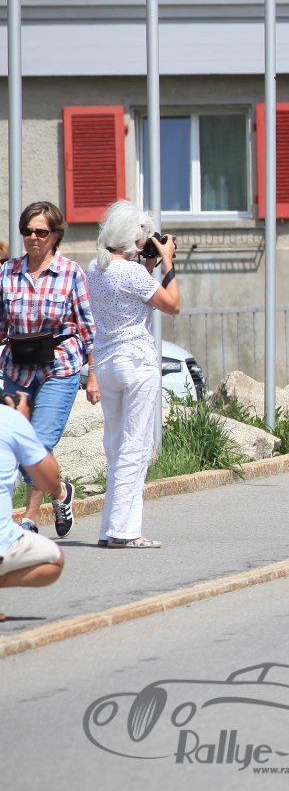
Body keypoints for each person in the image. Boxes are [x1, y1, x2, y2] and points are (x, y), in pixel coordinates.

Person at [85, 201, 180, 549]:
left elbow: (131, 296)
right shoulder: (131, 273)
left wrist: (149, 265)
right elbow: (172, 305)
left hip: (107, 362)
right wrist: (167, 261)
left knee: (115, 446)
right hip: (136, 362)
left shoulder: (95, 268)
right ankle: (126, 532)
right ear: (132, 237)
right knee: (135, 446)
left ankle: (110, 528)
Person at [1, 200, 94, 539]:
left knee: (38, 443)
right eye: (27, 232)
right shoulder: (7, 272)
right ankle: (61, 492)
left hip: (59, 366)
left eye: (40, 232)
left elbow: (88, 327)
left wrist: (94, 374)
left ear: (55, 235)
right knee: (17, 443)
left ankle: (28, 518)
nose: (33, 238)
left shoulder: (71, 272)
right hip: (17, 368)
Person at [0, 392, 68, 615]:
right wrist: (22, 424)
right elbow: (50, 482)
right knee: (54, 560)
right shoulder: (9, 419)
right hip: (3, 544)